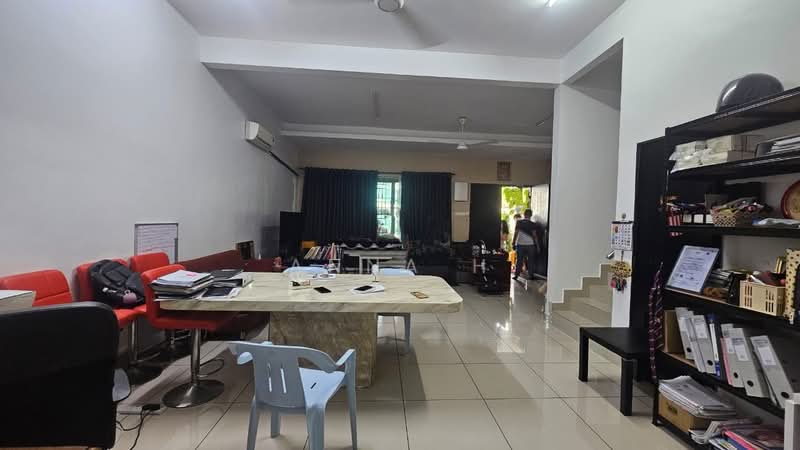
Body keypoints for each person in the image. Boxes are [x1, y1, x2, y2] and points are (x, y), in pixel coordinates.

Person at [512, 209, 536, 280]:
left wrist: (513, 242)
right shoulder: (533, 224)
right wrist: (537, 245)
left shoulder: (519, 222)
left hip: (520, 244)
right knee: (531, 260)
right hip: (530, 244)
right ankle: (531, 275)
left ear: (524, 214)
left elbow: (516, 233)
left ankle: (516, 275)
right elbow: (534, 235)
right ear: (531, 215)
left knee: (519, 260)